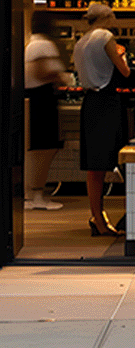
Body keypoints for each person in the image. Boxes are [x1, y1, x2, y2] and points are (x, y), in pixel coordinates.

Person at [72, 3, 131, 237]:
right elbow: (124, 72)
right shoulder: (106, 37)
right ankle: (132, 215)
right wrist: (122, 55)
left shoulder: (81, 41)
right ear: (106, 17)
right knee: (123, 158)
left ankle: (97, 218)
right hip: (108, 102)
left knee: (95, 166)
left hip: (90, 103)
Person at [24, 11, 67, 211]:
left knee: (38, 149)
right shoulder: (43, 45)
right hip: (43, 99)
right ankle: (38, 195)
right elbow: (41, 71)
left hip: (34, 99)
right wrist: (60, 77)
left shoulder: (31, 43)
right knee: (45, 148)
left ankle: (32, 193)